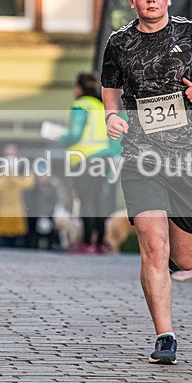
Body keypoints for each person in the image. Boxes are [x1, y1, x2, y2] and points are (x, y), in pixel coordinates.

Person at [100, 0, 192, 365]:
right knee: (153, 247)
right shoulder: (119, 42)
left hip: (189, 158)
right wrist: (111, 116)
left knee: (186, 258)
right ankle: (165, 336)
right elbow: (110, 87)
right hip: (142, 156)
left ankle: (170, 270)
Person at [59, 72, 112, 254]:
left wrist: (61, 137)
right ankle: (101, 243)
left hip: (86, 159)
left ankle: (87, 241)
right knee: (98, 200)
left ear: (79, 88)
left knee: (86, 200)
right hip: (104, 157)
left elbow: (74, 134)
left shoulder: (80, 105)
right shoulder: (100, 105)